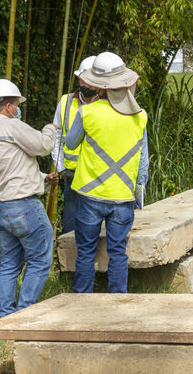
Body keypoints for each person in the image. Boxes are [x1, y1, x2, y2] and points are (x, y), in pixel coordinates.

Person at [65, 52, 148, 293]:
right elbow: (143, 162)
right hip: (123, 197)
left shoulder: (87, 112)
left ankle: (81, 300)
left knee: (86, 252)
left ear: (98, 86)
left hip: (89, 196)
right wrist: (138, 191)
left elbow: (70, 144)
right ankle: (117, 301)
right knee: (118, 252)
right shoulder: (140, 117)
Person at [0, 79, 58, 317]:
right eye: (16, 104)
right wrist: (50, 128)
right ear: (9, 106)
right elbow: (43, 146)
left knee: (9, 264)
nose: (17, 109)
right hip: (23, 205)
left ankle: (6, 316)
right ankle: (24, 313)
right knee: (40, 259)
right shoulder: (12, 126)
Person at [51, 56, 97, 234]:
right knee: (70, 230)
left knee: (94, 230)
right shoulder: (66, 102)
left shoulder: (107, 104)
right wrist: (61, 166)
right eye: (81, 79)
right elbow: (56, 135)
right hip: (72, 177)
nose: (84, 84)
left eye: (89, 81)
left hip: (97, 177)